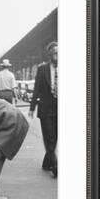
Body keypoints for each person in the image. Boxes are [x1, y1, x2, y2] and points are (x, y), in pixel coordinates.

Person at [29, 41, 58, 178]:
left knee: (55, 137)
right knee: (49, 137)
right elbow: (37, 89)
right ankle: (55, 165)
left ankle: (47, 163)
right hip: (46, 107)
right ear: (50, 54)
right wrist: (32, 107)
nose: (57, 56)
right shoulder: (42, 69)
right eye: (55, 53)